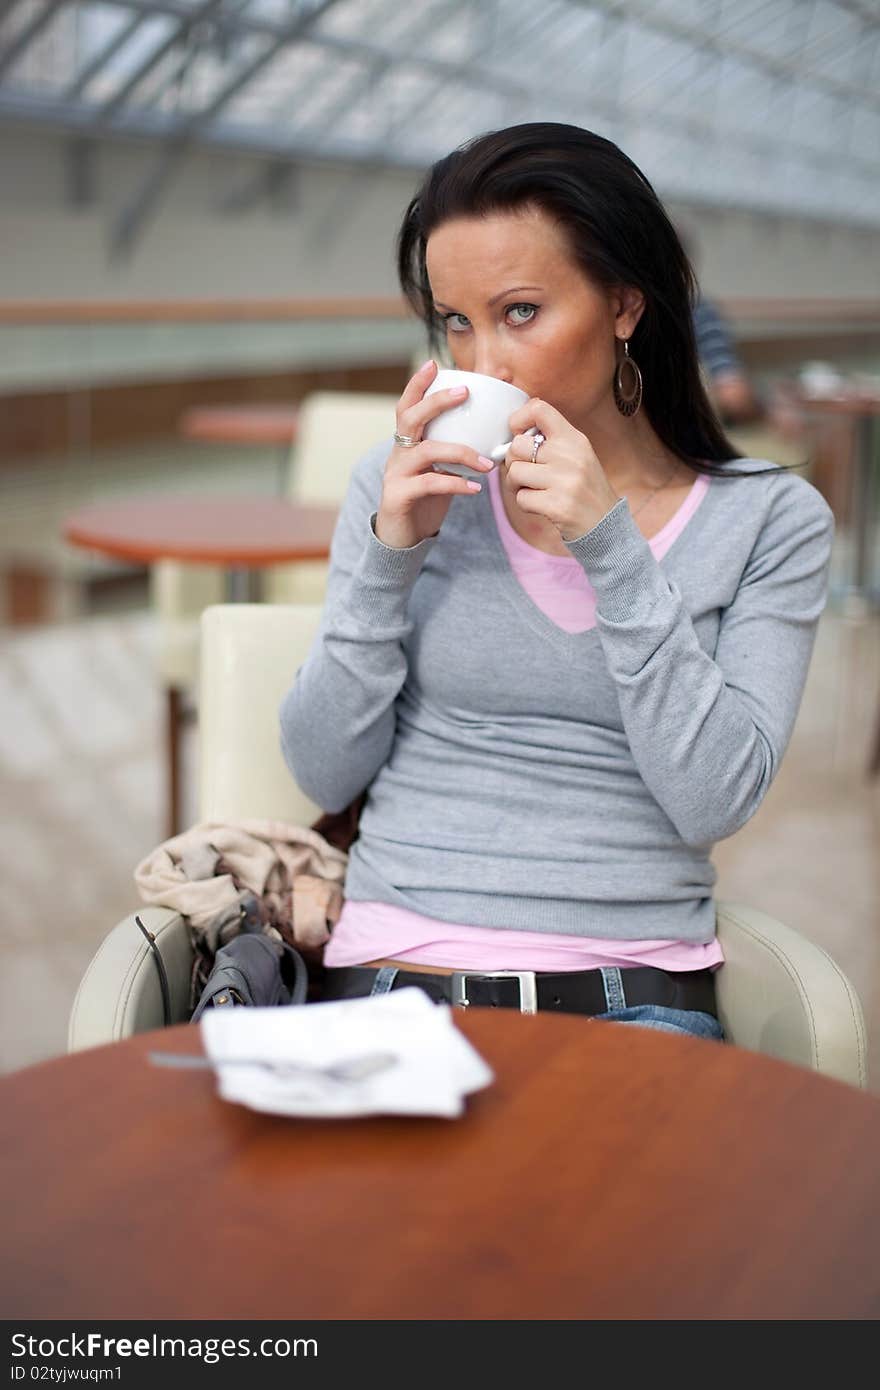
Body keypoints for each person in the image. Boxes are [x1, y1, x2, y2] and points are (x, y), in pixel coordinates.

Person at [280, 123, 833, 1040]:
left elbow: (716, 799)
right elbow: (323, 767)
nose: (482, 364)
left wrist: (611, 547)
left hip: (634, 989)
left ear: (625, 304)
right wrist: (391, 556)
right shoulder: (403, 486)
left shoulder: (770, 522)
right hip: (395, 974)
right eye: (457, 322)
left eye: (520, 312)